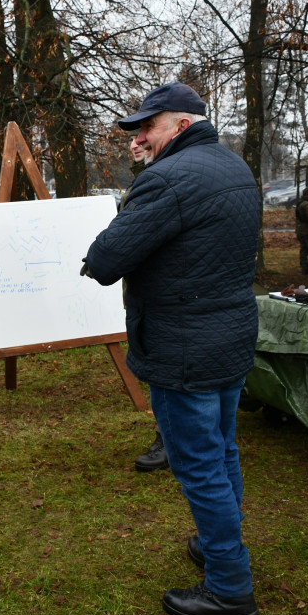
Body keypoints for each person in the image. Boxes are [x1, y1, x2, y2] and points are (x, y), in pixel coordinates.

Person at [83, 82, 260, 615]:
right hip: (228, 336)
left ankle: (230, 588)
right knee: (222, 449)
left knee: (199, 463)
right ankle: (216, 546)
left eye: (147, 127)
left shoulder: (167, 180)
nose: (139, 138)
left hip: (185, 344)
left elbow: (107, 258)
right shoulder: (235, 168)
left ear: (181, 126)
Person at [122, 135, 170, 473]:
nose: (136, 145)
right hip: (145, 295)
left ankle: (168, 440)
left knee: (165, 368)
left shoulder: (165, 179)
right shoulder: (145, 179)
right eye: (131, 143)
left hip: (166, 297)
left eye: (143, 139)